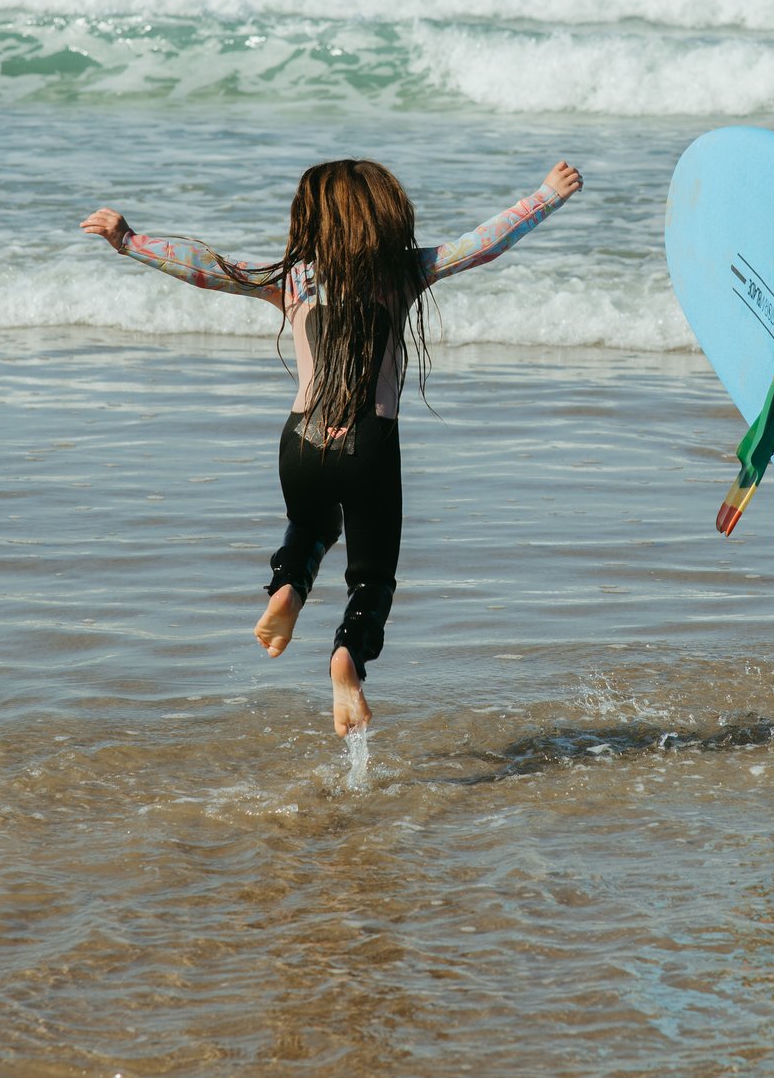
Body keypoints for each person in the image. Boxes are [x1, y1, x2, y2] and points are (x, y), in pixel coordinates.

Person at [82, 159, 583, 735]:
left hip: (299, 442)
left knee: (312, 526)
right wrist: (547, 196)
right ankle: (348, 657)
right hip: (370, 445)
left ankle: (288, 590)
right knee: (371, 579)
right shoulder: (405, 273)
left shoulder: (290, 278)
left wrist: (129, 240)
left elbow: (208, 269)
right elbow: (481, 245)